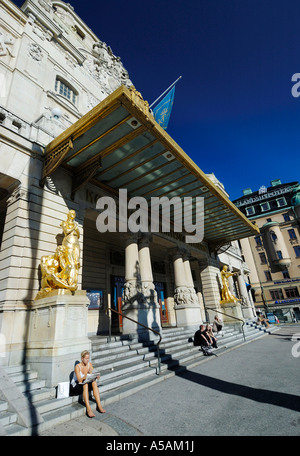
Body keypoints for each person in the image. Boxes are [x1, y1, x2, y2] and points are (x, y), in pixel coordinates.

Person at [70, 350, 106, 418]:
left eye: (88, 358)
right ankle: (88, 409)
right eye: (86, 358)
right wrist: (87, 375)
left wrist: (95, 376)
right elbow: (80, 380)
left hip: (84, 383)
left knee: (94, 382)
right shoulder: (77, 367)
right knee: (85, 384)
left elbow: (90, 377)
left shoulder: (89, 364)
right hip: (75, 386)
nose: (87, 360)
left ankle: (99, 405)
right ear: (82, 358)